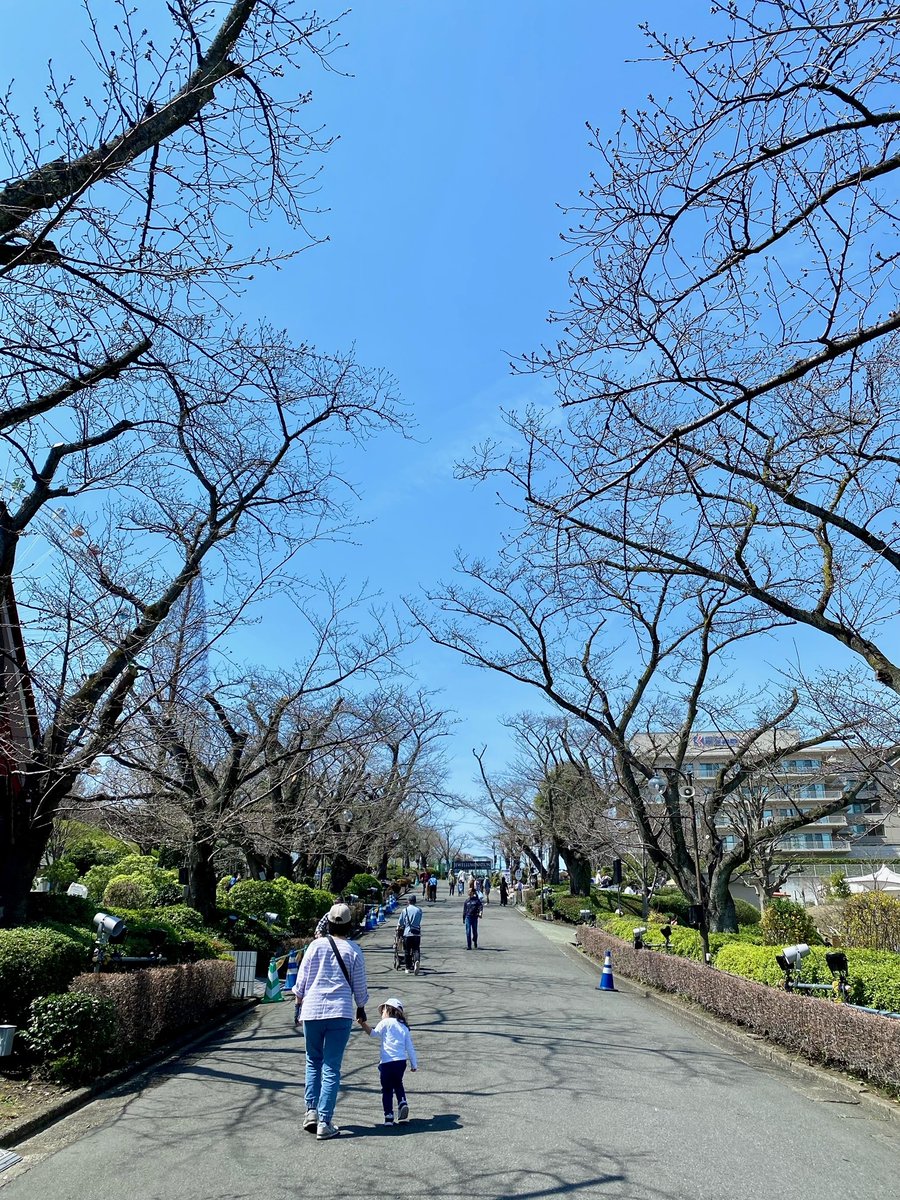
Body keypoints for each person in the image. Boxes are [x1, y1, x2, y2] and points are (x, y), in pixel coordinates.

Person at [292, 902, 369, 1141]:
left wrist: (298, 1004)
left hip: (312, 1010)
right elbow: (360, 988)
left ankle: (311, 1111)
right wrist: (361, 1007)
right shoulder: (354, 950)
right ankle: (325, 1121)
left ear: (328, 923)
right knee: (331, 1066)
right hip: (340, 1011)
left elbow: (301, 982)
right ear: (349, 924)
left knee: (312, 1060)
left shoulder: (315, 946)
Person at [357, 996, 418, 1126]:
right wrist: (414, 1063)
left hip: (387, 1062)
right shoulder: (404, 1027)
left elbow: (373, 1034)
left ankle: (389, 1116)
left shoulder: (385, 1023)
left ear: (389, 1010)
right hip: (401, 1062)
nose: (382, 1014)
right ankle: (402, 1101)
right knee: (398, 1083)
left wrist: (362, 1024)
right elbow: (410, 1047)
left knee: (387, 1089)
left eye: (383, 1011)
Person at [396, 893, 423, 974]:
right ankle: (416, 961)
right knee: (416, 949)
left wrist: (398, 928)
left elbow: (400, 922)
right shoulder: (419, 910)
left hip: (407, 933)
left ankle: (407, 968)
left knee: (407, 951)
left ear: (408, 901)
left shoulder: (405, 910)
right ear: (415, 901)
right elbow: (419, 920)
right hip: (417, 933)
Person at [463, 885, 483, 949]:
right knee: (468, 931)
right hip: (468, 917)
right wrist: (464, 918)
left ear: (472, 892)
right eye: (468, 891)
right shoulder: (467, 901)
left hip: (474, 917)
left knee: (474, 931)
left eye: (470, 891)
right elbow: (464, 910)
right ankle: (469, 945)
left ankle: (475, 941)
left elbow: (480, 907)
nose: (468, 892)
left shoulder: (476, 900)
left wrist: (480, 913)